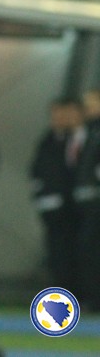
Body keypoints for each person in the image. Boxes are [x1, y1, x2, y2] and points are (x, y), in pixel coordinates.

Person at [29, 98, 83, 294]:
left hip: (69, 207)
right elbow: (36, 170)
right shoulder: (46, 141)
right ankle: (60, 290)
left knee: (71, 250)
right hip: (50, 208)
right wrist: (40, 194)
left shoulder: (74, 140)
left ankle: (75, 291)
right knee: (55, 250)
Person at [74, 88, 100, 311]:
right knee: (87, 249)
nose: (88, 107)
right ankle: (91, 296)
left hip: (95, 199)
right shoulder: (88, 130)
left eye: (93, 102)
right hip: (87, 199)